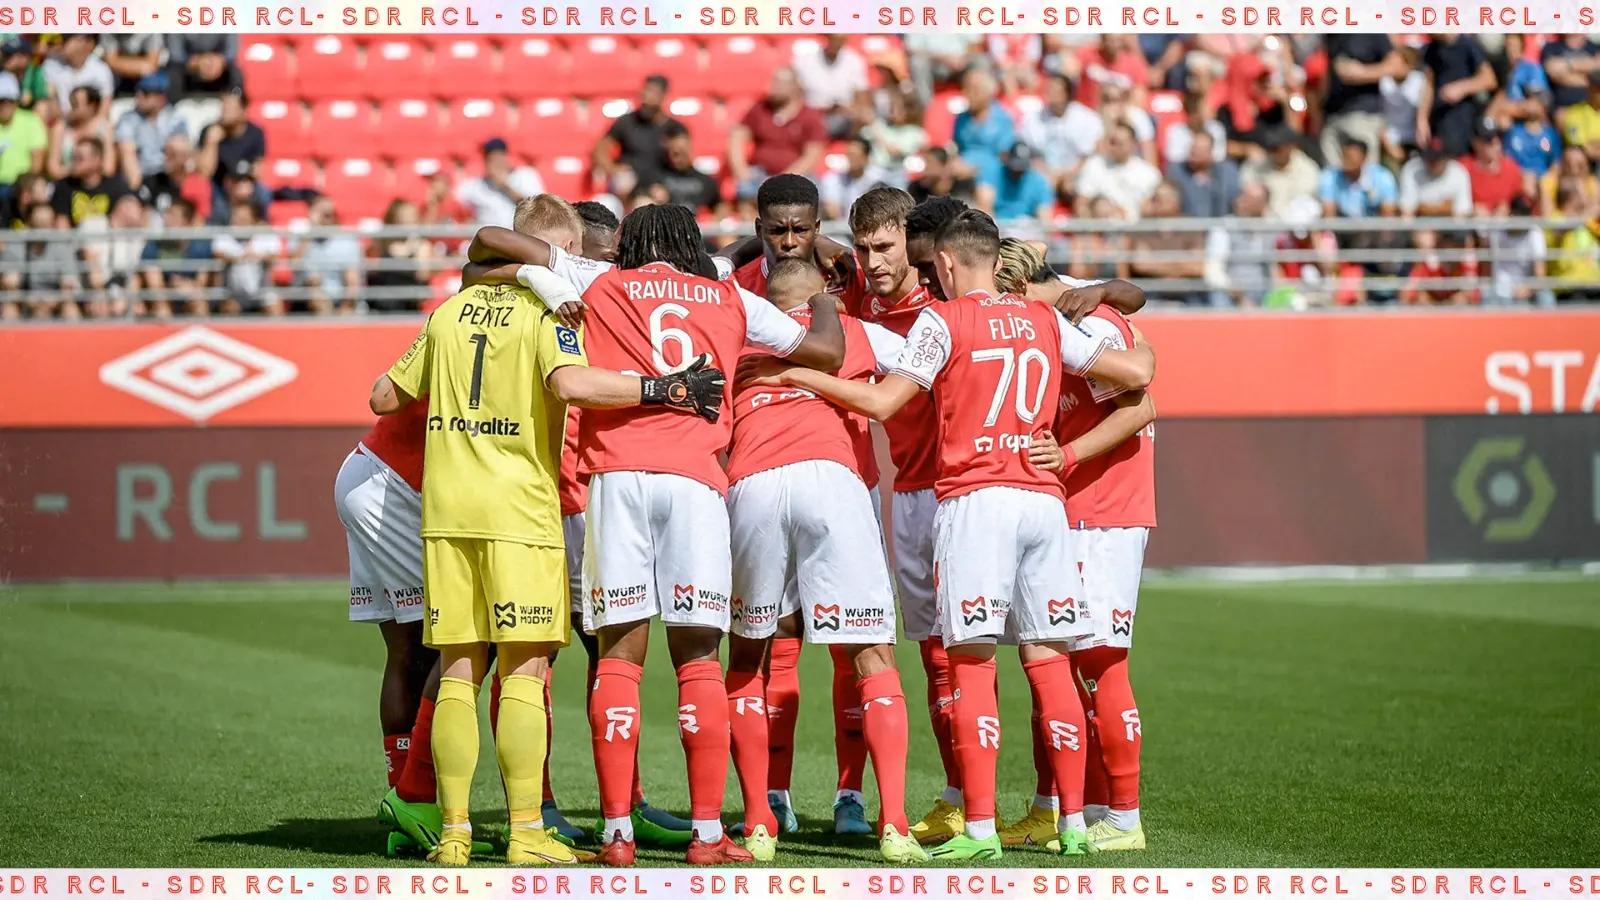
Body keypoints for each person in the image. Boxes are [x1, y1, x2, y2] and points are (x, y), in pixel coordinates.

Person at [738, 210, 1155, 860]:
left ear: (952, 264)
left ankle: (980, 828)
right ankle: (1073, 824)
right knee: (1049, 663)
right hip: (1044, 503)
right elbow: (1135, 376)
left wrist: (795, 376)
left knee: (969, 664)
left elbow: (881, 403)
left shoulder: (944, 319)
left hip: (975, 500)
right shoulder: (1046, 320)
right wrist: (1140, 347)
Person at [461, 202, 847, 866]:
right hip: (695, 480)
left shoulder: (599, 280)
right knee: (698, 659)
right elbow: (825, 351)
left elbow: (486, 246)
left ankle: (616, 833)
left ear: (630, 246)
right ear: (689, 244)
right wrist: (828, 302)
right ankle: (704, 834)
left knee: (618, 657)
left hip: (615, 481)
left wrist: (542, 277)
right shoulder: (725, 294)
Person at [370, 200, 728, 867]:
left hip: (448, 515)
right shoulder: (552, 315)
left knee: (457, 673)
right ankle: (529, 828)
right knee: (528, 673)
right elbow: (568, 382)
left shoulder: (447, 312)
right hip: (521, 513)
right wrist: (660, 390)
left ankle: (453, 833)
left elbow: (383, 398)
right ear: (557, 247)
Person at [721, 256, 927, 863]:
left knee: (748, 654)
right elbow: (931, 363)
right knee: (871, 656)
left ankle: (759, 821)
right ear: (821, 300)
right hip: (833, 479)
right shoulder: (853, 333)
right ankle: (893, 823)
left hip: (752, 481)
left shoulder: (737, 339)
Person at [992, 237, 1158, 855]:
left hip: (1106, 512)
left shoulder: (1093, 321)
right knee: (1049, 659)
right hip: (1071, 510)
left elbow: (1141, 407)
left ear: (1020, 288)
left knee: (1098, 661)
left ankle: (1124, 814)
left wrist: (1066, 456)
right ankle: (1063, 806)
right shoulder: (1062, 317)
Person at [728, 68, 827, 200]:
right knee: (745, 189)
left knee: (813, 190)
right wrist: (741, 170)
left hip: (797, 176)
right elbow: (737, 138)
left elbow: (811, 156)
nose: (773, 87)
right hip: (760, 174)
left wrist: (785, 180)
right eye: (774, 81)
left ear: (794, 87)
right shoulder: (760, 109)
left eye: (779, 83)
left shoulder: (809, 115)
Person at [1320, 34, 1404, 164]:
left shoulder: (1372, 32)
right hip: (1333, 115)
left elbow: (1397, 66)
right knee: (1333, 176)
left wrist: (1363, 73)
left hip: (1362, 114)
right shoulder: (1332, 34)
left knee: (1364, 175)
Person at [1017, 74, 1101, 197]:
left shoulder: (1087, 118)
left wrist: (1068, 174)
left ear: (1067, 94)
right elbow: (1029, 153)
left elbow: (1088, 155)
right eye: (1049, 89)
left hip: (1075, 173)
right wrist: (1048, 172)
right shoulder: (1033, 119)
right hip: (1044, 172)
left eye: (1056, 90)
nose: (1051, 93)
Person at [592, 74, 677, 193]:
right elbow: (601, 148)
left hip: (658, 182)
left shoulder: (673, 127)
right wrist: (612, 168)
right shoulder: (626, 122)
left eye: (653, 92)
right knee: (623, 183)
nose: (647, 96)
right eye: (645, 90)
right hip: (628, 182)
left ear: (663, 96)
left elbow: (684, 158)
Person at [1419, 36, 1496, 157]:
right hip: (1439, 122)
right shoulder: (1431, 49)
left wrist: (1462, 88)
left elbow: (1489, 79)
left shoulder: (1467, 45)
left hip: (1462, 120)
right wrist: (1422, 120)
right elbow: (1429, 83)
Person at [114, 72, 187, 191]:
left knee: (179, 147)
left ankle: (176, 192)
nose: (139, 96)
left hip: (166, 174)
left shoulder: (174, 117)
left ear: (161, 98)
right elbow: (126, 146)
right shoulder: (128, 118)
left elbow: (179, 149)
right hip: (141, 174)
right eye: (138, 91)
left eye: (146, 93)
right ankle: (138, 194)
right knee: (126, 149)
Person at [1074, 123, 1161, 220]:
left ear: (1133, 145)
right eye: (1112, 142)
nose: (1114, 147)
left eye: (1119, 143)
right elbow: (1082, 203)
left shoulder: (1149, 174)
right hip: (1100, 229)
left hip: (1137, 230)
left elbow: (1152, 209)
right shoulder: (1094, 165)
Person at [455, 137, 544, 229]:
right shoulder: (474, 185)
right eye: (490, 159)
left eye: (498, 158)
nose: (495, 164)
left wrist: (504, 186)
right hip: (487, 238)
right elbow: (455, 206)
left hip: (519, 236)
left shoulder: (525, 175)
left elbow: (538, 208)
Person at [792, 34, 870, 139]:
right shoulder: (805, 61)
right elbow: (795, 96)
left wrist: (849, 109)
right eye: (833, 40)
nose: (836, 45)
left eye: (840, 42)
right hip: (813, 115)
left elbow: (862, 98)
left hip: (843, 117)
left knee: (865, 117)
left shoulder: (854, 61)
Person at [296, 195, 363, 314]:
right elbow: (294, 263)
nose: (325, 217)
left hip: (340, 300)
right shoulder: (302, 239)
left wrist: (345, 307)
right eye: (321, 212)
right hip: (307, 298)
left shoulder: (346, 241)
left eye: (328, 213)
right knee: (313, 286)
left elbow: (352, 281)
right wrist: (312, 230)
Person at [51, 137, 131, 227]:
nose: (74, 162)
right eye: (73, 157)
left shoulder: (115, 186)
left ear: (97, 160)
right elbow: (62, 225)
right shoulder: (65, 186)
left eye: (80, 158)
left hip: (106, 238)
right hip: (74, 239)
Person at [645, 120, 721, 215]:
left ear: (690, 149)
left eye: (683, 152)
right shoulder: (656, 178)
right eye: (675, 154)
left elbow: (720, 208)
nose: (679, 158)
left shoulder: (706, 182)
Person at [1166, 131, 1240, 218]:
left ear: (1210, 153)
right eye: (1193, 147)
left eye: (1199, 149)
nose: (1194, 152)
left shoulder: (1226, 171)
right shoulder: (1177, 170)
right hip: (1186, 226)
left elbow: (1232, 199)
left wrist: (1209, 185)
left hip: (1221, 224)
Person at [821, 135, 893, 221]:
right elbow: (832, 209)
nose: (851, 159)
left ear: (866, 158)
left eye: (855, 156)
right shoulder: (833, 178)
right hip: (840, 227)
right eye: (849, 155)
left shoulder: (879, 179)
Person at [41, 34, 113, 114]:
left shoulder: (101, 70)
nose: (60, 44)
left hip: (91, 123)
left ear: (84, 42)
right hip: (63, 122)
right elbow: (51, 104)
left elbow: (103, 113)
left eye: (66, 39)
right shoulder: (51, 65)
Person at [980, 143, 1053, 221]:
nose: (1017, 172)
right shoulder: (993, 173)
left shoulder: (1038, 181)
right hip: (998, 226)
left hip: (1028, 228)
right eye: (1014, 167)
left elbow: (1044, 214)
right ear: (1007, 160)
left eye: (1021, 168)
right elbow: (985, 207)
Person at [0, 72, 47, 195]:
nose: (5, 105)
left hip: (20, 187)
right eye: (1, 101)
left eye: (9, 100)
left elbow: (37, 161)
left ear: (16, 101)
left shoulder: (31, 121)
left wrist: (24, 187)